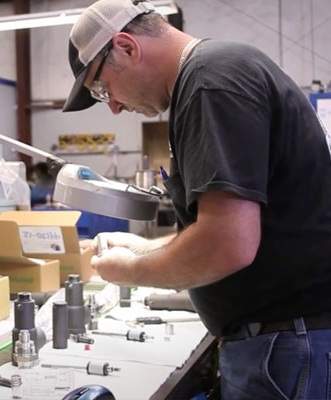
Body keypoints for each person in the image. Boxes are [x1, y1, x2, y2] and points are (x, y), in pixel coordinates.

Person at [63, 0, 331, 398]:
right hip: (280, 341)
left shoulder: (210, 82)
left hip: (287, 346)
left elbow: (228, 244)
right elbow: (221, 225)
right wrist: (144, 248)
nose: (114, 106)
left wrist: (130, 271)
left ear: (126, 47)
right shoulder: (210, 77)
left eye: (102, 88)